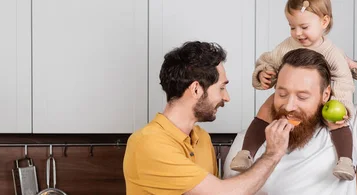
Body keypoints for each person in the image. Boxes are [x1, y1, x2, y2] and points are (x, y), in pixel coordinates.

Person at [224, 48, 357, 194]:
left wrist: (347, 66)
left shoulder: (349, 126)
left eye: (303, 97)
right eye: (282, 93)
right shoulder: (247, 143)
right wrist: (271, 154)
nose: (289, 106)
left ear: (325, 95)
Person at [123, 41, 295, 194]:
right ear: (196, 89)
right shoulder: (148, 144)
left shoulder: (202, 138)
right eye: (221, 88)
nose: (226, 97)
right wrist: (273, 154)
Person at [230, 0, 357, 180]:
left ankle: (345, 160)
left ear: (324, 21)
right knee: (266, 109)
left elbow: (344, 81)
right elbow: (268, 60)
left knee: (337, 122)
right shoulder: (286, 46)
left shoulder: (332, 53)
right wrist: (263, 73)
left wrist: (342, 105)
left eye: (304, 27)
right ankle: (246, 153)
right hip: (290, 92)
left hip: (324, 98)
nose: (297, 33)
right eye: (292, 27)